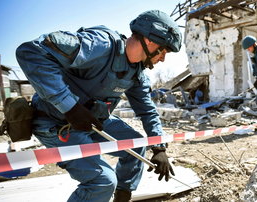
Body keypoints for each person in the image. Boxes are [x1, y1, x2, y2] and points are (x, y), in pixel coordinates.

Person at [16, 10, 181, 202]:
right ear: (151, 40)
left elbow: (147, 111)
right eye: (164, 51)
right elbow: (31, 52)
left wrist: (159, 148)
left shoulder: (137, 73)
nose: (162, 59)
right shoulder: (100, 45)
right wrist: (70, 107)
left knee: (136, 147)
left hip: (93, 122)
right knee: (101, 182)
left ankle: (122, 197)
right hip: (57, 124)